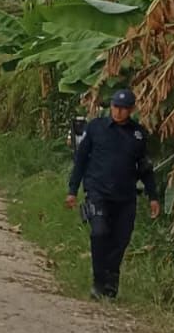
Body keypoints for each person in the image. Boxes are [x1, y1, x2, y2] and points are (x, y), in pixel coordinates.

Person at [66, 88, 160, 299]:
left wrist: (153, 196)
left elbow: (145, 168)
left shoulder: (138, 134)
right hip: (98, 191)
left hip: (125, 196)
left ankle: (111, 281)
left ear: (132, 110)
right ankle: (98, 281)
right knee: (99, 233)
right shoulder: (96, 127)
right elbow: (81, 160)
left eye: (124, 109)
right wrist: (72, 190)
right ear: (110, 107)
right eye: (116, 107)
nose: (118, 112)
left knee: (120, 240)